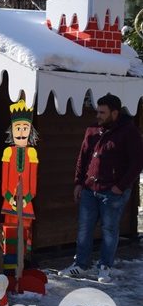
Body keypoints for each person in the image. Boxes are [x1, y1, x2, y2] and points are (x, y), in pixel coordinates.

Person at [59, 94, 143, 283]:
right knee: (84, 229)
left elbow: (137, 163)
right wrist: (78, 183)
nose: (98, 115)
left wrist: (120, 187)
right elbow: (83, 158)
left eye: (102, 112)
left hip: (112, 192)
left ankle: (105, 267)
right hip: (89, 188)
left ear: (114, 113)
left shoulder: (129, 132)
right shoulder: (92, 130)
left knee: (109, 230)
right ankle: (81, 265)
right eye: (97, 111)